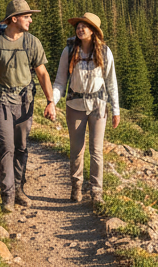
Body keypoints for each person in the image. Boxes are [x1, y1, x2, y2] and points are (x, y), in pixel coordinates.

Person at [0, 0, 53, 212]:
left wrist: (50, 101)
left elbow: (43, 73)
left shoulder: (32, 42)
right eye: (26, 16)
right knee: (6, 148)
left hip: (24, 100)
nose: (30, 20)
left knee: (21, 147)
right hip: (1, 100)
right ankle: (7, 196)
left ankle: (19, 189)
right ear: (13, 19)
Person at [45, 12, 119, 204]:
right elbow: (60, 81)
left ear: (93, 31)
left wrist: (116, 110)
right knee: (77, 149)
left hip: (98, 105)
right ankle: (76, 187)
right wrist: (52, 101)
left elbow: (111, 83)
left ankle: (96, 192)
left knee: (96, 150)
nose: (80, 29)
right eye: (78, 26)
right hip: (74, 105)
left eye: (84, 26)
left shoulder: (104, 52)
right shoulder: (68, 51)